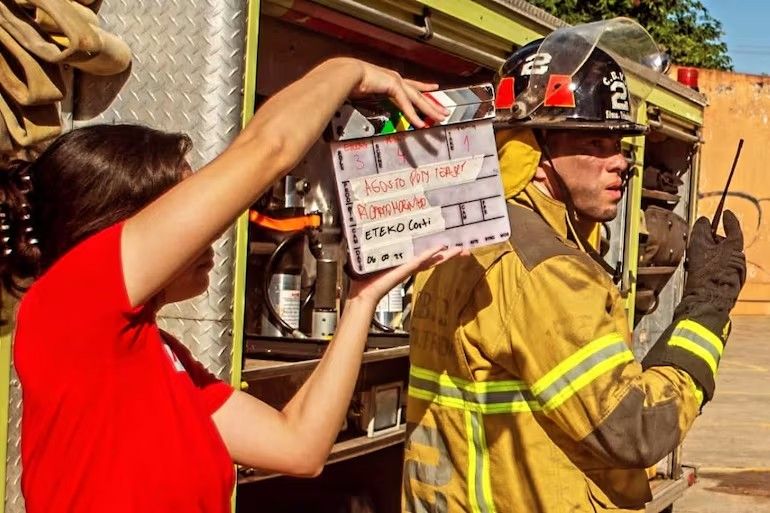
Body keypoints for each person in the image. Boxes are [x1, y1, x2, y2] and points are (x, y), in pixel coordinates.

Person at [0, 57, 459, 513]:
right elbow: (269, 150)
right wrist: (349, 71)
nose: (210, 232)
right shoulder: (66, 302)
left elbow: (299, 445)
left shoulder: (159, 356)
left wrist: (362, 299)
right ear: (120, 225)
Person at [401, 20, 747, 513]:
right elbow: (637, 429)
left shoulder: (463, 236)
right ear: (536, 151)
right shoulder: (549, 270)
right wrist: (707, 308)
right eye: (596, 143)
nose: (620, 161)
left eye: (619, 145)